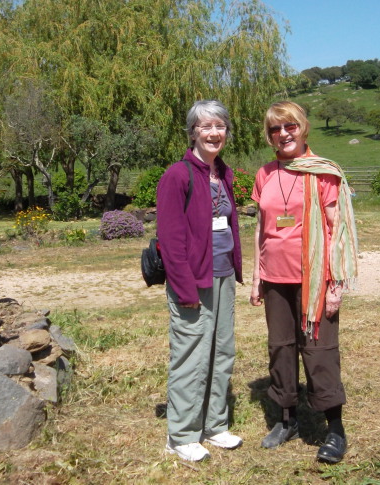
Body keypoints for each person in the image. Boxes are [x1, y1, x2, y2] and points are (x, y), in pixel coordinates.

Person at [249, 101, 358, 463]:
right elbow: (262, 230)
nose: (283, 134)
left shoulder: (323, 173)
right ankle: (287, 419)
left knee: (319, 351)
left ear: (303, 127)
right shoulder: (265, 173)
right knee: (280, 348)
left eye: (289, 126)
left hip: (314, 279)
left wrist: (336, 284)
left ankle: (335, 429)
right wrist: (255, 275)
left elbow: (337, 230)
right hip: (274, 278)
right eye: (275, 129)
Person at [156, 100, 244, 462]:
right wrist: (184, 287)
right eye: (205, 126)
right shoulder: (177, 175)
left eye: (220, 126)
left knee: (222, 352)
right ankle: (181, 435)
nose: (213, 133)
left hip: (223, 277)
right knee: (190, 356)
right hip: (193, 281)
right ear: (193, 132)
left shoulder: (223, 173)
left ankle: (214, 425)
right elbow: (171, 240)